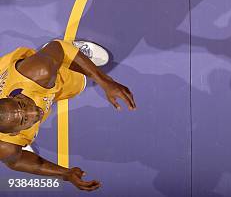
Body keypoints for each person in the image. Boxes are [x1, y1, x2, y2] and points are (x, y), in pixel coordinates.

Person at [0, 40, 135, 191]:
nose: (35, 112)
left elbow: (59, 47)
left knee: (69, 72)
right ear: (15, 132)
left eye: (23, 105)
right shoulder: (6, 146)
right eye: (25, 119)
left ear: (14, 97)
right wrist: (66, 174)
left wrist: (105, 81)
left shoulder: (38, 72)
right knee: (13, 151)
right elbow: (16, 161)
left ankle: (57, 55)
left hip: (32, 73)